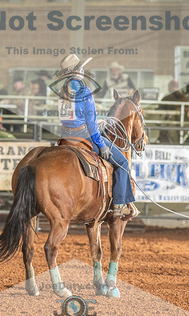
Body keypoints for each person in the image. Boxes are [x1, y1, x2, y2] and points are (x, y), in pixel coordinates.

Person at [55, 54, 137, 218]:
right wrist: (102, 144)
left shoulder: (61, 91)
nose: (84, 70)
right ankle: (119, 205)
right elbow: (91, 126)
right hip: (84, 136)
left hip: (66, 136)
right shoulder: (84, 90)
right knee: (122, 162)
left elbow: (70, 117)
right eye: (81, 68)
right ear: (77, 71)